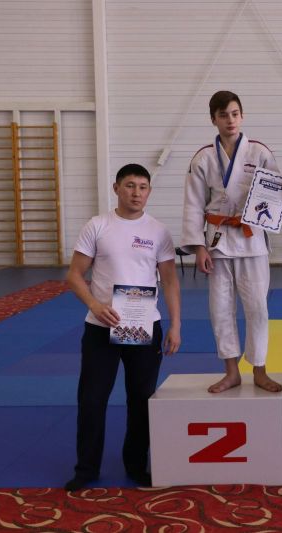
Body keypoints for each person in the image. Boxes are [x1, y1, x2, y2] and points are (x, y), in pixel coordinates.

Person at [64, 163, 181, 491]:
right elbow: (74, 275)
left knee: (140, 399)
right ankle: (86, 469)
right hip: (101, 326)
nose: (136, 193)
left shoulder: (159, 231)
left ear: (149, 192)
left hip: (144, 326)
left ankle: (136, 465)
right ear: (116, 188)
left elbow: (170, 281)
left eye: (142, 187)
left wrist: (175, 325)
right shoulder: (98, 226)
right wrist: (94, 305)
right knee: (92, 399)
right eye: (130, 186)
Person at [181, 91, 282, 393]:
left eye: (235, 114)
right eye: (223, 115)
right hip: (217, 241)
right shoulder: (203, 158)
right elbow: (193, 205)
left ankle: (259, 370)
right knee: (220, 309)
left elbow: (277, 194)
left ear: (242, 116)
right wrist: (198, 247)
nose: (230, 120)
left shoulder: (259, 152)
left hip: (252, 239)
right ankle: (231, 371)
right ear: (213, 119)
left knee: (257, 308)